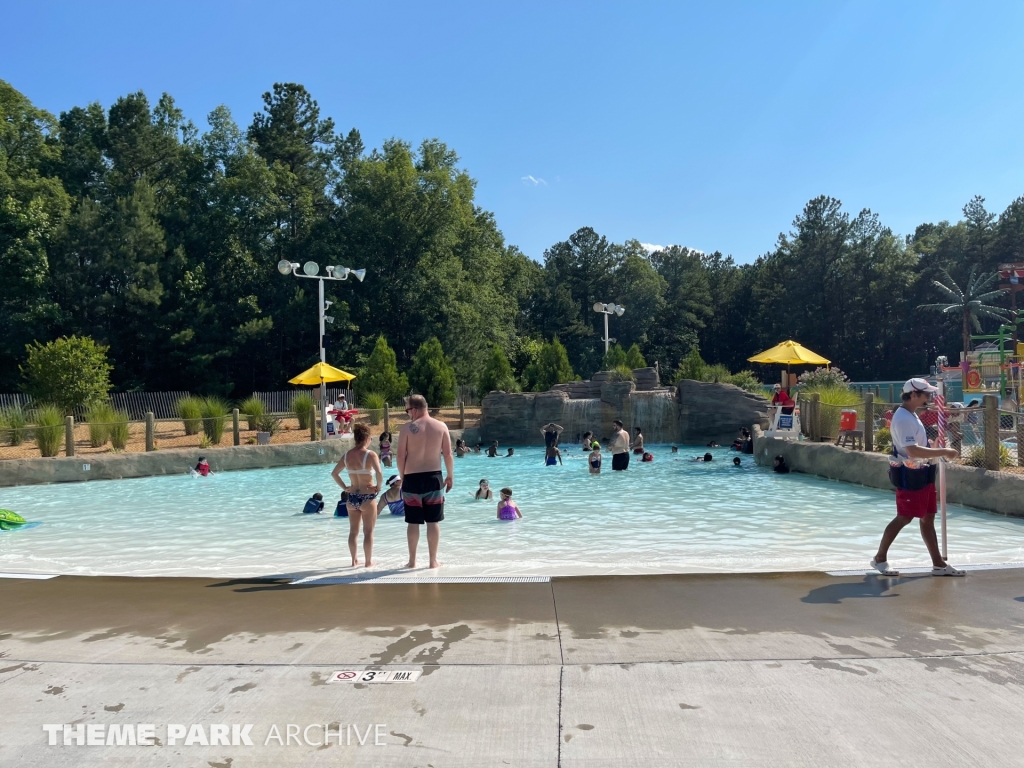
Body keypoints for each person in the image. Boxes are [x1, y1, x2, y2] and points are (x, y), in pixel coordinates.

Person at [871, 378, 964, 577]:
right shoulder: (904, 418)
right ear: (913, 395)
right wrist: (943, 452)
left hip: (923, 473)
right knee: (905, 516)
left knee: (928, 517)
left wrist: (933, 446)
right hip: (911, 475)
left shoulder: (911, 415)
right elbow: (912, 450)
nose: (929, 397)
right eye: (926, 394)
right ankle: (879, 558)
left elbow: (917, 446)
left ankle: (938, 564)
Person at [397, 394, 454, 569]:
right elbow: (448, 454)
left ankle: (412, 561)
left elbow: (400, 456)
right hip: (434, 478)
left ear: (414, 409)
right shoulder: (441, 426)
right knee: (433, 521)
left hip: (412, 478)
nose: (407, 414)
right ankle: (432, 561)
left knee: (413, 522)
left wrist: (403, 475)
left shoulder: (407, 429)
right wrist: (450, 476)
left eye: (407, 410)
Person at [331, 423, 384, 567]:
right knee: (368, 532)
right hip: (368, 497)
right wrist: (378, 487)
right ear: (367, 438)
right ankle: (368, 562)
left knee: (353, 532)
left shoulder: (347, 455)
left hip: (352, 497)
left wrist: (345, 488)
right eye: (371, 439)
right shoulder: (370, 454)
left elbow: (334, 473)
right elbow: (379, 473)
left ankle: (354, 561)